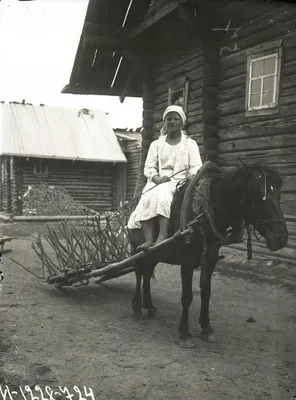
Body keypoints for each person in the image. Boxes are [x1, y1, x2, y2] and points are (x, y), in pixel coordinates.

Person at [127, 105, 203, 250]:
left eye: (176, 119)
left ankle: (163, 234)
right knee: (147, 196)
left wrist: (192, 176)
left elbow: (196, 165)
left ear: (182, 122)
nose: (172, 122)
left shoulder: (190, 144)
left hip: (180, 182)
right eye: (169, 119)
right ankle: (149, 239)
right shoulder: (156, 144)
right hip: (159, 180)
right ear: (165, 122)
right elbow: (149, 167)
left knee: (163, 194)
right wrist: (156, 178)